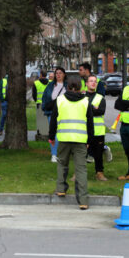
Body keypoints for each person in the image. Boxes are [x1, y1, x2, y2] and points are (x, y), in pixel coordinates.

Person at [49, 76, 94, 210]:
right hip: (80, 140)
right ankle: (83, 200)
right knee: (81, 169)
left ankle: (61, 188)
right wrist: (89, 140)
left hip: (63, 138)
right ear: (81, 87)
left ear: (67, 86)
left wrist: (51, 137)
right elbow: (90, 123)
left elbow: (53, 120)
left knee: (62, 164)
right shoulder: (86, 101)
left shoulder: (60, 100)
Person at [85, 75, 108, 181]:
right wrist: (93, 108)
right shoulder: (82, 97)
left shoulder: (100, 97)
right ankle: (78, 173)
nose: (93, 83)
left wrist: (89, 109)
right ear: (86, 83)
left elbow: (101, 111)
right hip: (84, 131)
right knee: (81, 153)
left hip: (98, 131)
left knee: (98, 154)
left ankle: (99, 173)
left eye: (95, 81)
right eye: (91, 81)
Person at [42, 67, 66, 162]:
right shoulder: (50, 85)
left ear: (64, 74)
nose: (58, 75)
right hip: (52, 112)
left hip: (64, 112)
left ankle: (63, 153)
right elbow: (45, 98)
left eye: (60, 73)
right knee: (53, 132)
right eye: (57, 73)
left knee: (63, 133)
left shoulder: (67, 86)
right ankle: (54, 154)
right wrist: (45, 107)